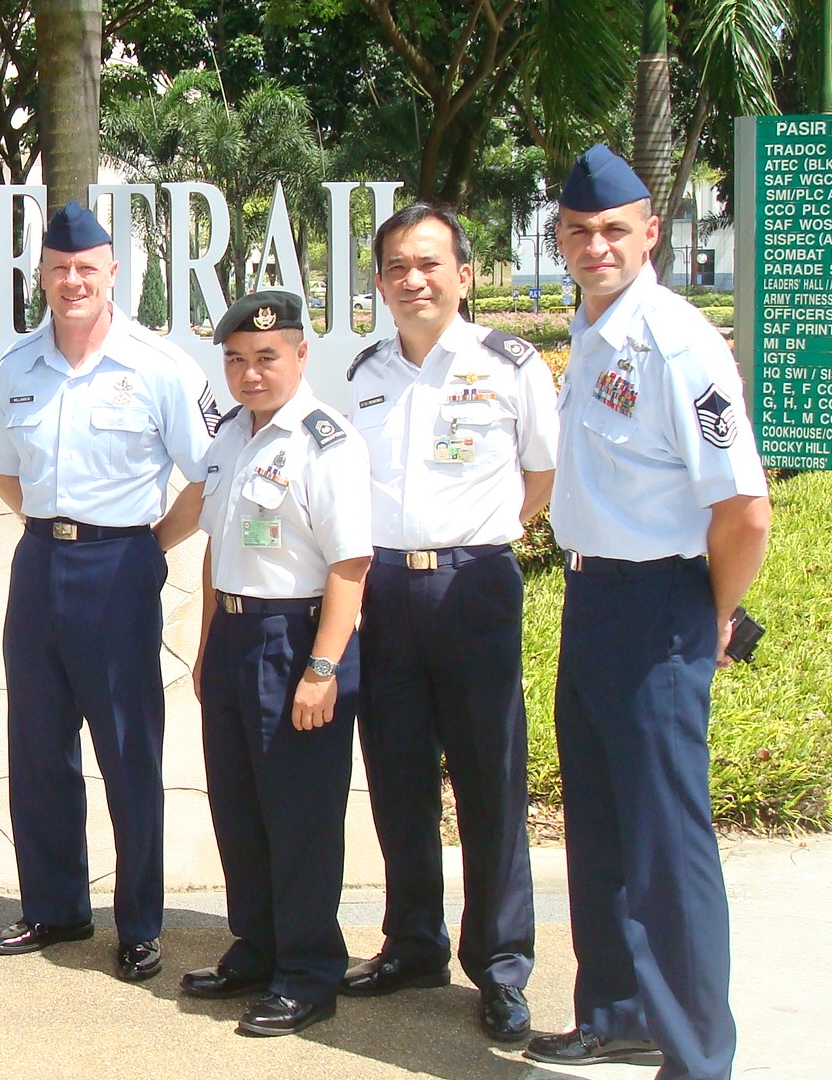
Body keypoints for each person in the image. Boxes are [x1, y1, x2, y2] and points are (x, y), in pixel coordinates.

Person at [525, 144, 771, 1080]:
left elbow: (745, 510)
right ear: (561, 238)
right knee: (600, 829)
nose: (596, 247)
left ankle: (698, 1057)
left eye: (613, 231)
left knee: (668, 848)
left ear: (651, 233)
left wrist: (713, 612)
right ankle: (617, 1011)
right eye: (580, 232)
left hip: (659, 605)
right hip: (593, 597)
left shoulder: (675, 342)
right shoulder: (594, 330)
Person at [0, 200, 223, 982]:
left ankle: (140, 921)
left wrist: (150, 547)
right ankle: (55, 907)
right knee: (38, 746)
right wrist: (53, 530)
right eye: (58, 269)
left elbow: (211, 474)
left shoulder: (159, 366)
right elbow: (4, 469)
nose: (72, 280)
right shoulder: (18, 368)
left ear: (114, 273)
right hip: (40, 564)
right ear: (39, 276)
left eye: (87, 268)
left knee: (127, 751)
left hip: (120, 569)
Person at [339, 204, 558, 1043]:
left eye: (429, 264)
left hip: (474, 586)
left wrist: (482, 536)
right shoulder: (363, 372)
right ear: (382, 282)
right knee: (395, 774)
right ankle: (413, 943)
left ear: (464, 275)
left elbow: (540, 474)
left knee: (488, 778)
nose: (413, 279)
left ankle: (502, 967)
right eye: (397, 266)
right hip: (385, 587)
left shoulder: (510, 364)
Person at [174, 289, 372, 1037]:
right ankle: (256, 949)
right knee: (240, 810)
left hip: (296, 641)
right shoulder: (230, 435)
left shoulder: (327, 443)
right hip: (232, 641)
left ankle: (309, 972)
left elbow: (351, 567)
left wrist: (322, 669)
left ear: (298, 355)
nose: (250, 373)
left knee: (301, 818)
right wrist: (204, 649)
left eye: (265, 357)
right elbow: (216, 549)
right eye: (234, 360)